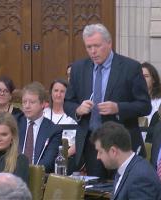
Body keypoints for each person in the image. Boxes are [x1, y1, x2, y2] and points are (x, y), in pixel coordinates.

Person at [64, 23, 151, 178]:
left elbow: (145, 106)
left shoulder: (130, 67)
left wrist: (118, 108)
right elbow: (68, 103)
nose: (93, 51)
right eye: (88, 47)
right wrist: (78, 109)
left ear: (109, 43)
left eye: (97, 46)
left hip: (121, 144)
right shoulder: (78, 68)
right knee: (96, 191)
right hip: (92, 144)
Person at [90, 121, 161, 200]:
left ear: (113, 151)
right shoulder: (127, 168)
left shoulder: (140, 177)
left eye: (100, 152)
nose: (98, 157)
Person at [16, 81, 62, 173]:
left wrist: (29, 172)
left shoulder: (53, 130)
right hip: (14, 174)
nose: (27, 106)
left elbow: (48, 162)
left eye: (32, 102)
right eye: (24, 102)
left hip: (38, 176)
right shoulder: (14, 123)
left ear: (43, 104)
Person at [43, 79, 77, 157]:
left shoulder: (74, 115)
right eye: (56, 91)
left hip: (68, 155)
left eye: (62, 91)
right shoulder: (44, 113)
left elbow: (78, 142)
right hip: (45, 154)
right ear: (51, 93)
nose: (58, 94)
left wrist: (63, 156)